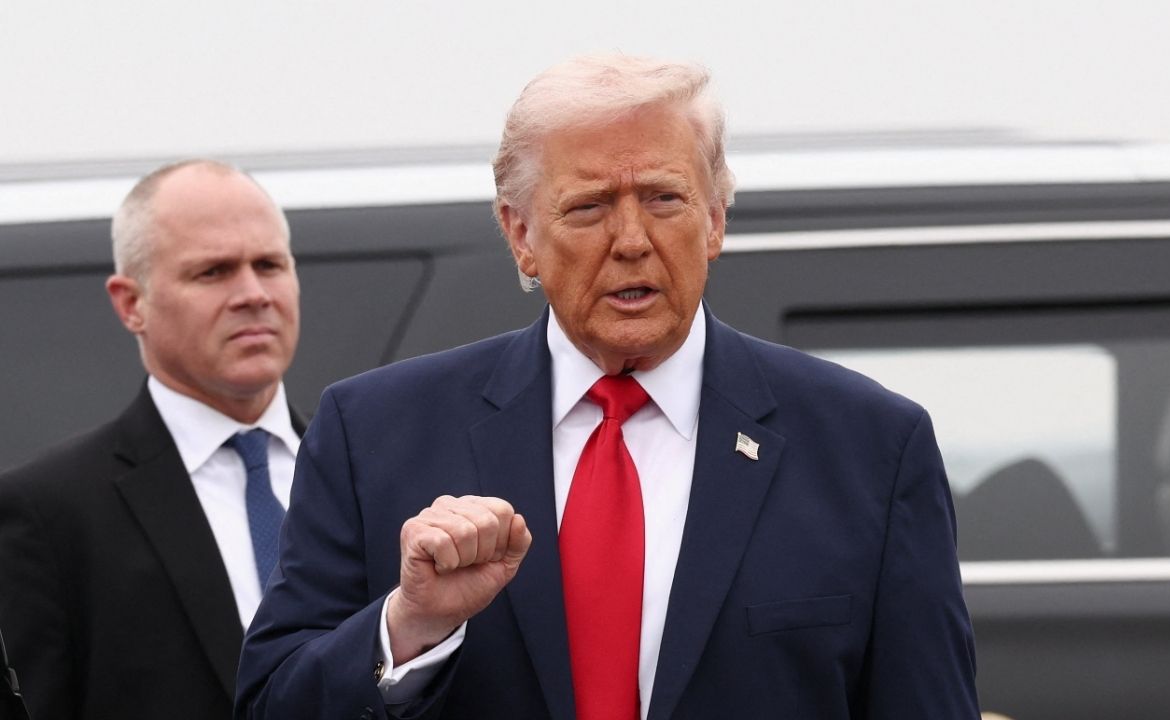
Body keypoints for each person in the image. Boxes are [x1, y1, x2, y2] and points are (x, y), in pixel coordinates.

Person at [237, 54, 979, 719]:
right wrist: (408, 628)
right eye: (588, 207)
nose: (630, 240)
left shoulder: (870, 448)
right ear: (520, 234)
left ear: (715, 220)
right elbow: (273, 701)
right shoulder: (373, 435)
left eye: (663, 199)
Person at [0, 159, 304, 720]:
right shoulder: (49, 513)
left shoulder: (362, 470)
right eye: (213, 272)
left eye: (269, 264)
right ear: (130, 303)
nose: (253, 293)